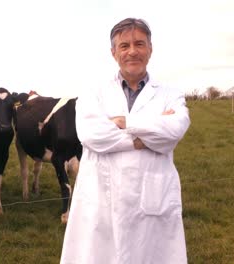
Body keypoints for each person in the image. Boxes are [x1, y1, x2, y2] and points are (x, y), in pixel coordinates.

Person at [60, 18, 190, 264]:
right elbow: (92, 135)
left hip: (151, 199)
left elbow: (173, 130)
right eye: (124, 45)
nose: (132, 51)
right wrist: (145, 138)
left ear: (150, 49)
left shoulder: (170, 94)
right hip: (100, 199)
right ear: (113, 52)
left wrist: (126, 123)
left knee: (152, 255)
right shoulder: (92, 92)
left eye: (140, 44)